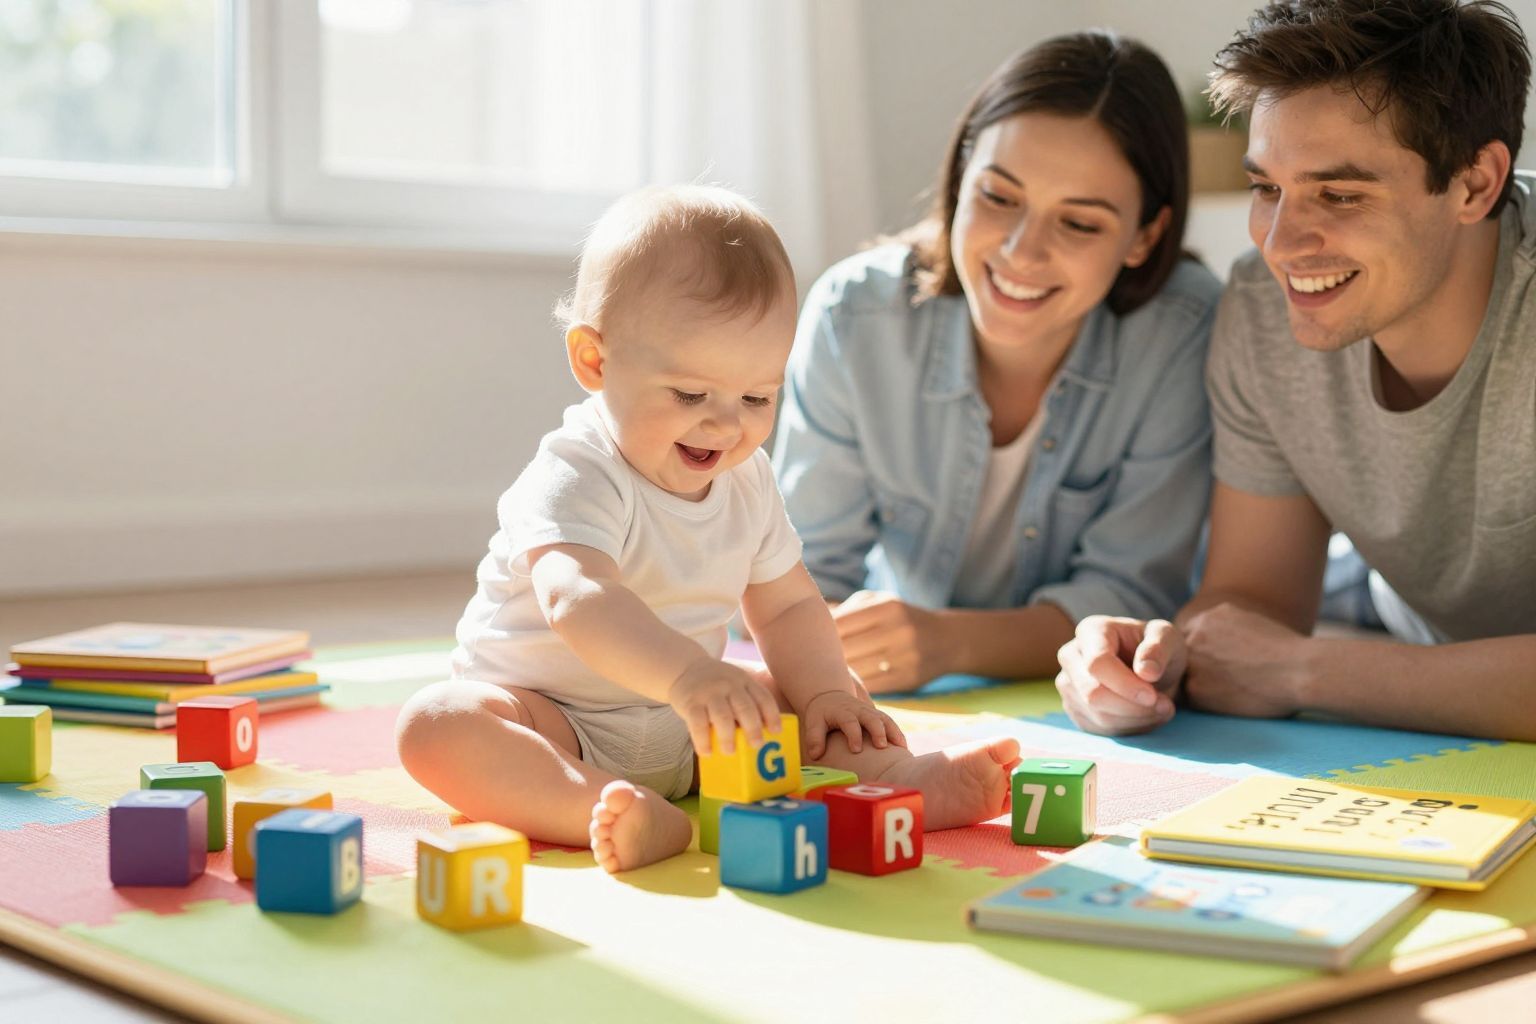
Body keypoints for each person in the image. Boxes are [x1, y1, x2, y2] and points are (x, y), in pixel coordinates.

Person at [395, 185, 1020, 874]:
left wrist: (826, 694)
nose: (725, 424)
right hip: (554, 721)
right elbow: (577, 597)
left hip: (697, 730)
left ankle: (904, 780)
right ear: (595, 361)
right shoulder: (576, 471)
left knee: (807, 695)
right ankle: (603, 808)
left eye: (756, 397)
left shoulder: (746, 478)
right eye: (690, 394)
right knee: (437, 724)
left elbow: (787, 605)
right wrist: (688, 675)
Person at [1056, 0, 1536, 741]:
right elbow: (1256, 601)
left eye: (1339, 195)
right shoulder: (1260, 310)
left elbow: (1281, 661)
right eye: (1266, 189)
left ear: (1475, 184)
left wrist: (1306, 672)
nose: (1280, 244)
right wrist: (1158, 664)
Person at [773, 32, 1223, 694]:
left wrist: (948, 642)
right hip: (902, 687)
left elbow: (1132, 592)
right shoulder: (855, 316)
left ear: (1145, 236)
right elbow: (798, 576)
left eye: (1079, 223)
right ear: (960, 180)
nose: (1021, 252)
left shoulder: (1183, 330)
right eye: (999, 197)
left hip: (1077, 691)